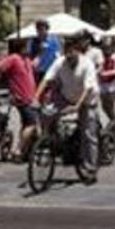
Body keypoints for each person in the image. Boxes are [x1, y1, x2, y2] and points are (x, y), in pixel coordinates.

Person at [35, 36, 100, 184]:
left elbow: (87, 88)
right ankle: (50, 140)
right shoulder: (60, 62)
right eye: (66, 52)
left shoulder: (87, 64)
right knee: (46, 112)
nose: (69, 55)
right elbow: (46, 79)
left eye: (71, 52)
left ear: (78, 51)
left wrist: (77, 106)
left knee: (88, 133)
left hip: (87, 99)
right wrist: (35, 98)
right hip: (66, 96)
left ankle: (91, 168)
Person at [0, 38, 40, 160]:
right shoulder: (14, 58)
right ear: (21, 47)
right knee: (31, 124)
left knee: (27, 125)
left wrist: (42, 52)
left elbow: (35, 65)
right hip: (22, 98)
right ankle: (18, 150)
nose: (28, 48)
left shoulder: (25, 60)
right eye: (26, 46)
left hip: (30, 98)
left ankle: (25, 152)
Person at [28, 19, 62, 83]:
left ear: (47, 29)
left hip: (51, 71)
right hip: (38, 73)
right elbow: (29, 56)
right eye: (38, 29)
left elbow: (58, 55)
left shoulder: (54, 40)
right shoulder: (33, 42)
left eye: (42, 29)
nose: (41, 32)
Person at [98, 37, 115, 125]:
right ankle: (113, 121)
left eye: (107, 47)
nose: (106, 49)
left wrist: (104, 73)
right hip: (102, 83)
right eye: (104, 47)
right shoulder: (101, 56)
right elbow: (99, 67)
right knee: (104, 106)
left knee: (111, 106)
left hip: (112, 84)